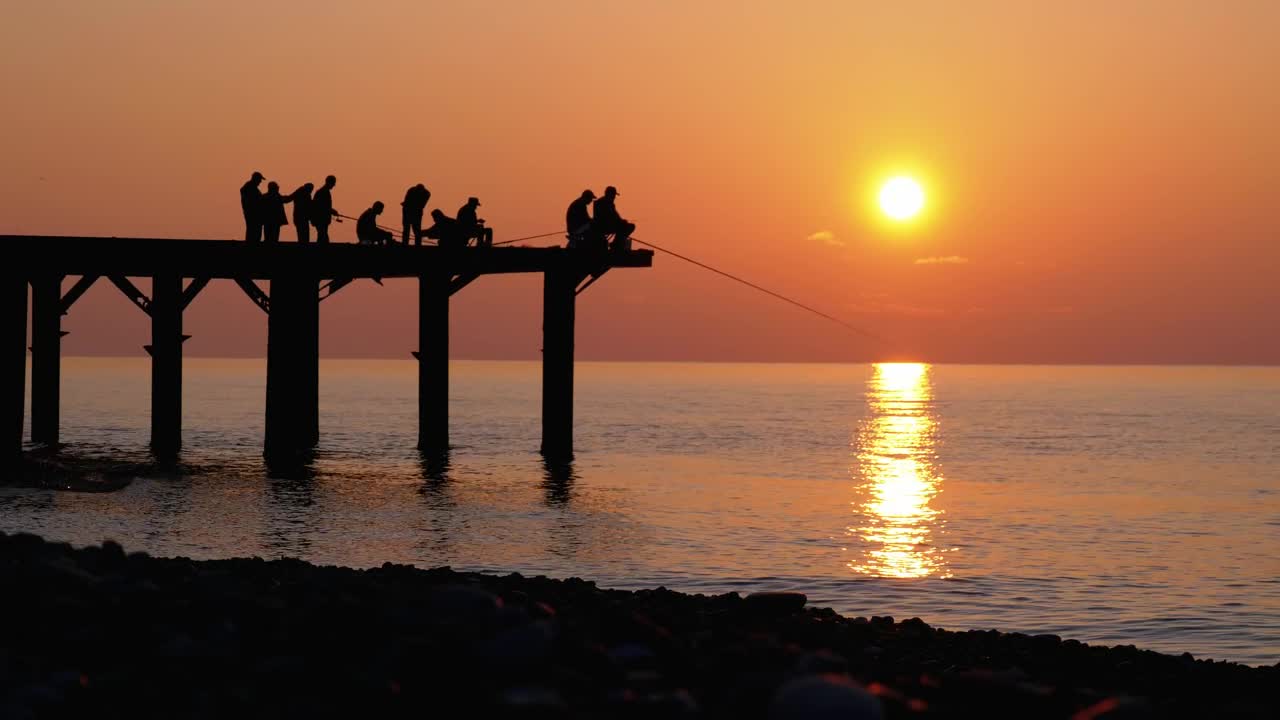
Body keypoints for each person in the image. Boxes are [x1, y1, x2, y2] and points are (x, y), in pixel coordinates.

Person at [592, 186, 635, 251]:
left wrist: (621, 221)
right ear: (609, 194)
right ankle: (616, 245)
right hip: (604, 226)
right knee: (630, 226)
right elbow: (611, 216)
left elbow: (615, 216)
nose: (614, 197)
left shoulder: (604, 202)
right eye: (613, 195)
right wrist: (621, 221)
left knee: (624, 226)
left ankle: (616, 244)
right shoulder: (604, 203)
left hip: (604, 225)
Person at [311, 175, 340, 244]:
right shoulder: (324, 192)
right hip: (321, 219)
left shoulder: (322, 191)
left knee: (322, 236)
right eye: (333, 183)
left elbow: (324, 206)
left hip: (320, 219)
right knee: (323, 236)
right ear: (330, 182)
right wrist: (332, 211)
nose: (334, 185)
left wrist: (332, 211)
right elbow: (323, 207)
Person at [239, 171, 265, 242]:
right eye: (259, 180)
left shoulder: (250, 187)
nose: (260, 182)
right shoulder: (250, 187)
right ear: (256, 179)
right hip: (253, 214)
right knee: (253, 230)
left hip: (252, 213)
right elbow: (254, 201)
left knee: (252, 230)